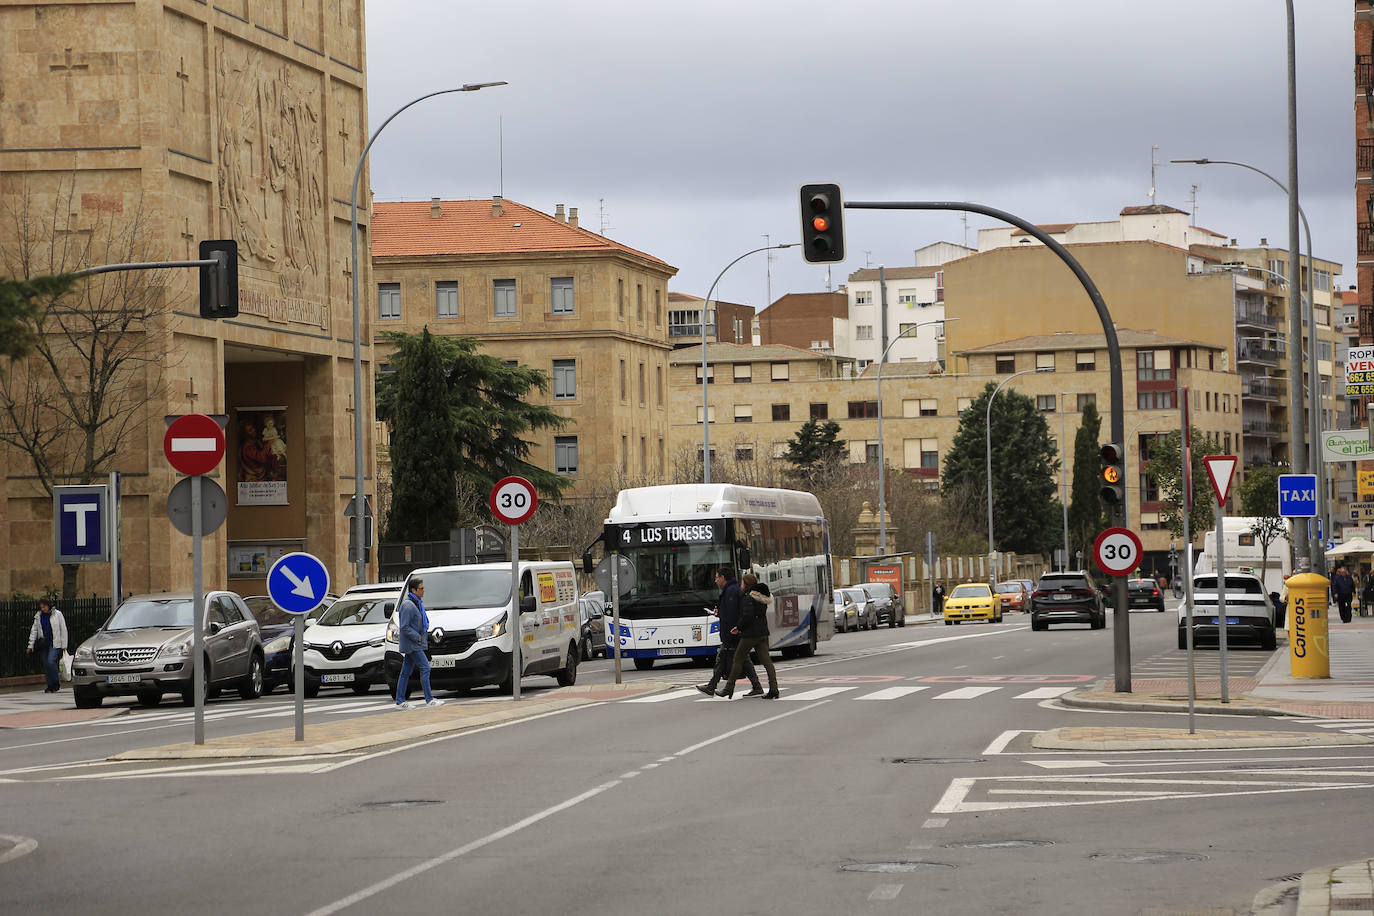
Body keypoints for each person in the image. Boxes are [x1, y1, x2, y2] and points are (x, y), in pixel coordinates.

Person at [695, 567, 762, 698]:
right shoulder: (730, 590)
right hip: (732, 632)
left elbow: (732, 615)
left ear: (723, 578)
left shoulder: (731, 591)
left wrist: (731, 632)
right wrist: (719, 613)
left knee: (723, 658)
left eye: (716, 577)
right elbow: (730, 612)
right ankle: (756, 686)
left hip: (732, 632)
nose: (715, 581)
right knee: (742, 660)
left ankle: (712, 686)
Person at [716, 573, 779, 699]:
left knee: (738, 659)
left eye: (742, 583)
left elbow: (747, 617)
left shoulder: (749, 598)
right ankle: (774, 689)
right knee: (767, 661)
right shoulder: (762, 598)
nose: (741, 585)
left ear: (746, 584)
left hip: (750, 634)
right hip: (762, 633)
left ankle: (729, 688)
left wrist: (738, 627)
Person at [394, 578, 444, 709]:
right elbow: (404, 626)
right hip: (413, 644)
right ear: (413, 590)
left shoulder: (416, 603)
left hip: (414, 643)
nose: (423, 590)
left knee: (405, 672)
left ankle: (400, 701)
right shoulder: (408, 605)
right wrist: (418, 637)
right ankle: (429, 699)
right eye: (421, 588)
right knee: (425, 667)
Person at [26, 597, 68, 693]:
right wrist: (30, 645)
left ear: (48, 605)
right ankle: (50, 685)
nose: (42, 609)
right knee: (46, 664)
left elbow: (63, 629)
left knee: (50, 661)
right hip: (43, 643)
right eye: (41, 607)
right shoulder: (38, 616)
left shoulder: (57, 614)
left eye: (44, 607)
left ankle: (56, 682)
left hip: (55, 643)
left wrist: (64, 644)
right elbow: (34, 631)